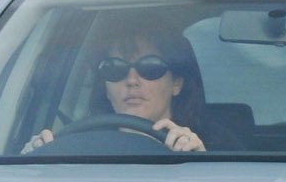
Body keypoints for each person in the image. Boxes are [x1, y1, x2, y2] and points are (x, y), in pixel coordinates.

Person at [23, 21, 211, 153]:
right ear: (105, 87)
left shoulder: (218, 149)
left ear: (176, 83)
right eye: (115, 68)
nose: (131, 80)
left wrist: (198, 160)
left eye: (150, 67)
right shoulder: (74, 149)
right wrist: (34, 160)